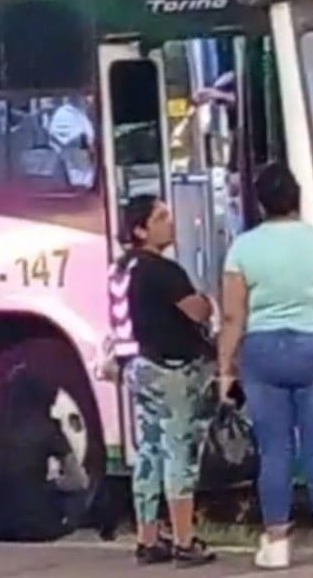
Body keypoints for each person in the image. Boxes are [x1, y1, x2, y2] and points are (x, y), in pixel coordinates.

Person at [217, 162, 313, 570]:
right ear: (297, 198)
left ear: (261, 203)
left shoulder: (242, 248)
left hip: (262, 352)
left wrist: (226, 367)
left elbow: (233, 317)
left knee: (274, 451)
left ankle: (277, 542)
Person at [116, 194, 218, 567]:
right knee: (179, 453)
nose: (170, 223)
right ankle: (184, 539)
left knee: (148, 451)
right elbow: (197, 312)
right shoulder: (162, 270)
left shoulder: (121, 269)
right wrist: (207, 301)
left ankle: (147, 539)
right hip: (171, 369)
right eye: (161, 217)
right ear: (141, 229)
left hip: (138, 367)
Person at [0, 365, 90, 543]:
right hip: (37, 528)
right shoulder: (48, 427)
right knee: (80, 493)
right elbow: (79, 481)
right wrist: (52, 484)